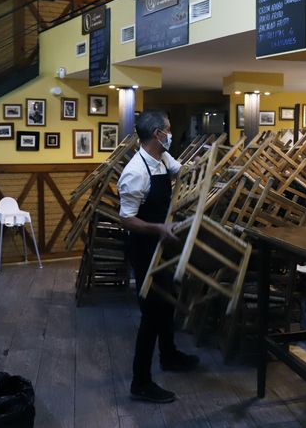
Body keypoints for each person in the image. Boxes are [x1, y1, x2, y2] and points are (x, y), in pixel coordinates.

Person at [117, 110, 199, 403]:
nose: (170, 133)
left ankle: (169, 355)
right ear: (157, 134)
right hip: (143, 248)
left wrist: (204, 166)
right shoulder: (136, 172)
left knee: (165, 303)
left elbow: (181, 171)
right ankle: (140, 382)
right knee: (151, 313)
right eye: (168, 129)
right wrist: (158, 227)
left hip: (162, 243)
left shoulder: (163, 158)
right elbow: (126, 219)